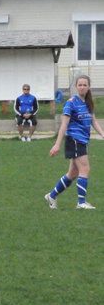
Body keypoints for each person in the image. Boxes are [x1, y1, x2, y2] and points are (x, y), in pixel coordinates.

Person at [45, 74, 104, 210]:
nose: (82, 87)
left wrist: (102, 134)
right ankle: (81, 203)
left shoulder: (88, 103)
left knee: (72, 174)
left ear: (89, 87)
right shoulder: (71, 102)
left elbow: (93, 121)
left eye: (85, 85)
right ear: (76, 86)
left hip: (83, 141)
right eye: (80, 85)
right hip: (74, 140)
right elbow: (64, 125)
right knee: (85, 169)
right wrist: (57, 144)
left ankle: (51, 196)